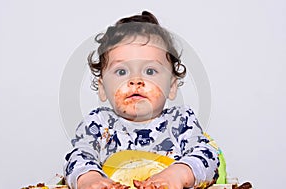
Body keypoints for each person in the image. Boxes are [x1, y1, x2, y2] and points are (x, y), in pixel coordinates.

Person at [64, 11, 219, 189]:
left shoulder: (181, 122)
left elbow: (208, 156)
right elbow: (79, 156)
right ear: (102, 88)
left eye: (150, 71)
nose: (136, 80)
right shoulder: (99, 124)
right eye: (121, 72)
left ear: (172, 86)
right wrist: (89, 179)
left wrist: (178, 174)